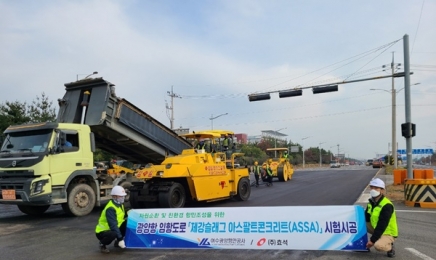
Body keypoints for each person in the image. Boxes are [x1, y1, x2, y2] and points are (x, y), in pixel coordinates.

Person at [365, 178, 398, 257]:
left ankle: (390, 248)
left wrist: (372, 241)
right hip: (377, 228)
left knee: (378, 246)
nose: (373, 190)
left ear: (382, 190)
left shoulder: (387, 205)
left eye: (376, 188)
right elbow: (366, 218)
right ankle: (363, 244)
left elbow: (382, 225)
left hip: (388, 232)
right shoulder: (371, 202)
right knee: (360, 225)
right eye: (372, 187)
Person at [95, 186, 127, 253]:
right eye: (121, 196)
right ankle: (102, 244)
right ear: (115, 197)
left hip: (113, 228)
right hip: (103, 231)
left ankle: (117, 242)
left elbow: (121, 215)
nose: (123, 198)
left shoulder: (120, 204)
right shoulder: (110, 208)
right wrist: (120, 239)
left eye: (123, 196)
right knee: (113, 234)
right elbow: (113, 225)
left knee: (128, 223)